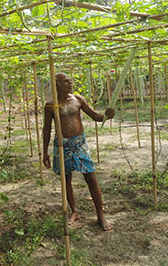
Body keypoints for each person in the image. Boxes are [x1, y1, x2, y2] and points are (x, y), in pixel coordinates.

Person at [42, 72, 115, 231]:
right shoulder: (51, 105)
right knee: (66, 178)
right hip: (62, 144)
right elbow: (47, 129)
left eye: (70, 80)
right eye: (66, 81)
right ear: (57, 85)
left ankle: (100, 215)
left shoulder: (78, 99)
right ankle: (74, 211)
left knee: (91, 177)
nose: (70, 83)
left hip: (79, 143)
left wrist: (107, 116)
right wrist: (44, 152)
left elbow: (95, 116)